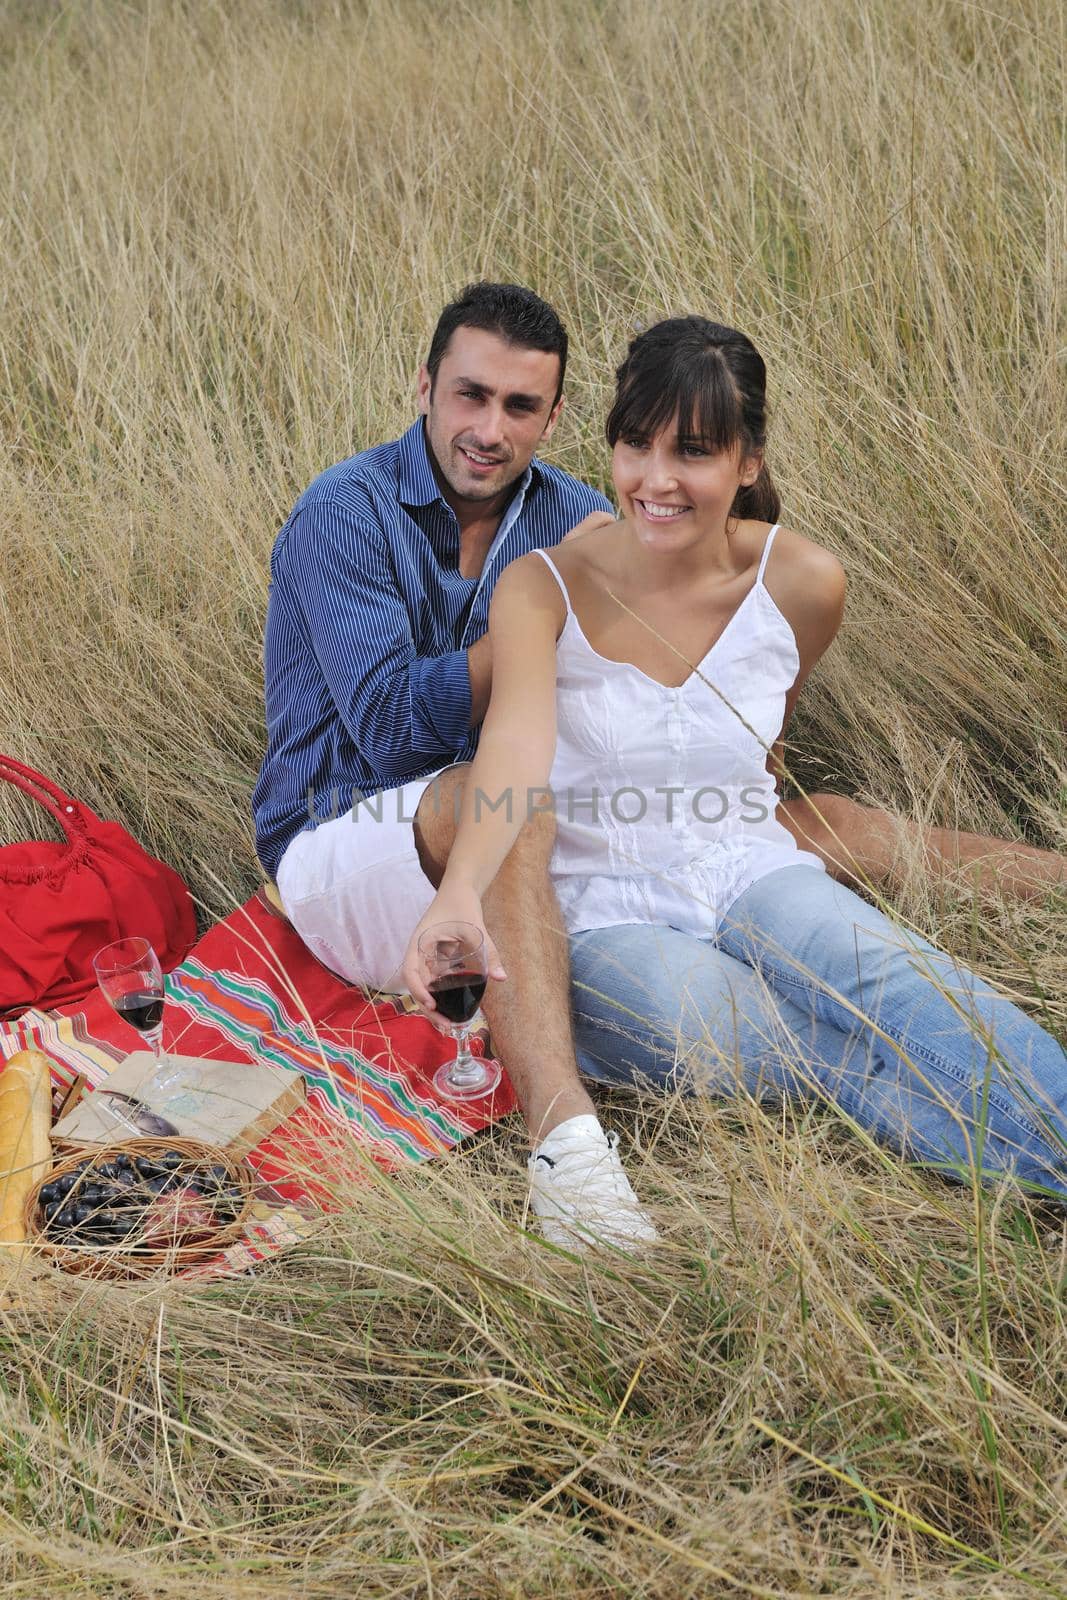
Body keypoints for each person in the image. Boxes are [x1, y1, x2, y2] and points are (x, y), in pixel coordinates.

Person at [253, 284, 1063, 1250]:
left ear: (554, 419)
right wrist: (549, 605)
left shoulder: (605, 520)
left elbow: (737, 730)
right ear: (423, 386)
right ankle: (568, 1153)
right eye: (468, 396)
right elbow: (402, 734)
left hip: (633, 846)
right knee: (740, 1014)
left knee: (884, 969)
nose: (487, 427)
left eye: (519, 408)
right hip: (367, 825)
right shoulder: (371, 516)